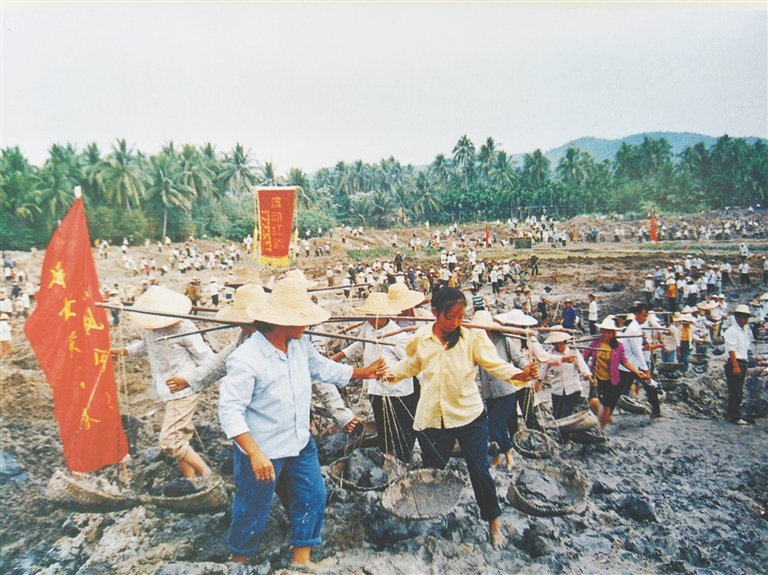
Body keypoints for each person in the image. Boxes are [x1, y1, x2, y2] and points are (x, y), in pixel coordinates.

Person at [218, 272, 385, 571]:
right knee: (253, 508)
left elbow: (324, 369)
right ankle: (238, 561)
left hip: (299, 440)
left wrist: (364, 372)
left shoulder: (300, 346)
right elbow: (229, 410)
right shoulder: (247, 359)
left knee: (313, 495)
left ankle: (301, 560)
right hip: (263, 447)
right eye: (303, 319)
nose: (307, 325)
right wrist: (254, 453)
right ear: (284, 321)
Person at [384, 288, 538, 549]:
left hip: (469, 416)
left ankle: (493, 523)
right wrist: (389, 374)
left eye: (461, 316)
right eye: (450, 317)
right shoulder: (421, 338)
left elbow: (494, 364)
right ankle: (435, 519)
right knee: (432, 472)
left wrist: (520, 375)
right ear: (435, 313)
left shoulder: (472, 338)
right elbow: (412, 365)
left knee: (480, 471)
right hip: (433, 418)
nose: (456, 322)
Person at [111, 286, 214, 479]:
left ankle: (208, 476)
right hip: (168, 389)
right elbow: (145, 346)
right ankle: (192, 482)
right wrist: (124, 351)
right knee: (180, 438)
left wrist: (198, 380)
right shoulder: (149, 329)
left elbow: (205, 357)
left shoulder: (183, 326)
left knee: (169, 441)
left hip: (186, 387)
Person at [330, 291, 420, 463]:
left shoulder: (398, 335)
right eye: (369, 315)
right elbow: (359, 345)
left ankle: (404, 460)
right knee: (383, 425)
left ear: (384, 314)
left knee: (402, 428)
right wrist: (337, 357)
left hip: (397, 391)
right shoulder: (368, 327)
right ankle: (387, 455)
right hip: (375, 388)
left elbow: (411, 363)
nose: (371, 318)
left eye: (374, 315)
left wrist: (393, 375)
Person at [583, 317, 649, 430]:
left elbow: (624, 361)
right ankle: (594, 423)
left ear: (613, 333)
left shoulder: (618, 346)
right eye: (604, 331)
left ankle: (601, 429)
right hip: (596, 379)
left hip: (611, 380)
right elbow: (584, 357)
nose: (606, 334)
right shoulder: (595, 344)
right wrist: (583, 370)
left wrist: (637, 372)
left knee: (607, 406)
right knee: (594, 401)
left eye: (609, 332)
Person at [620, 304, 663, 419]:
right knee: (620, 390)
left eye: (646, 316)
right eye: (643, 315)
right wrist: (646, 369)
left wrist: (645, 345)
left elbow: (638, 348)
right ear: (637, 314)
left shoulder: (637, 328)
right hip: (629, 365)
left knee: (649, 386)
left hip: (633, 364)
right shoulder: (633, 329)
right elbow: (636, 351)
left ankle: (656, 411)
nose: (645, 318)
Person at [722, 304, 756, 425]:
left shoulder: (745, 331)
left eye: (746, 318)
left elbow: (744, 350)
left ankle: (733, 412)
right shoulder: (732, 331)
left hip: (741, 361)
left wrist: (744, 365)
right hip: (734, 362)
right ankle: (734, 415)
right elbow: (731, 349)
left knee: (738, 390)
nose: (743, 320)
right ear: (736, 317)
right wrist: (735, 365)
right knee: (735, 390)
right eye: (741, 317)